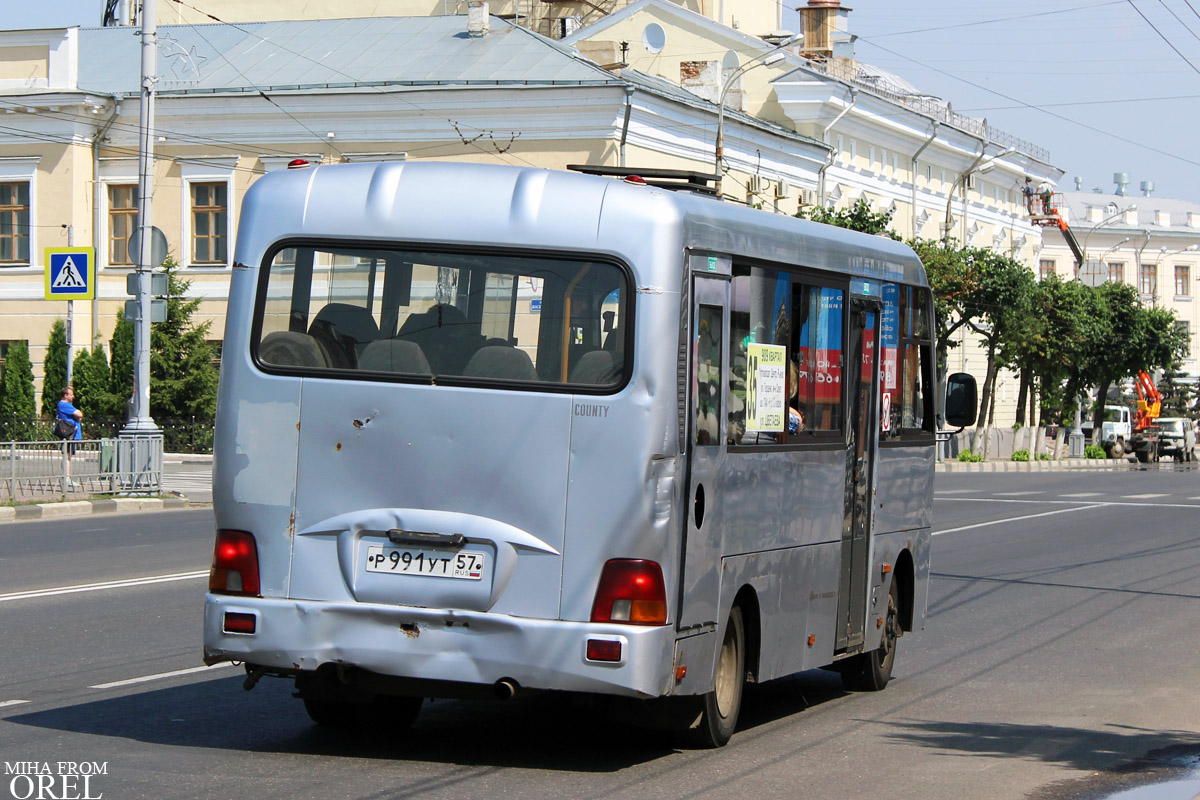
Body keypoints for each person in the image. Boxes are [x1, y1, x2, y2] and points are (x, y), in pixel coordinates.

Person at [57, 386, 83, 486]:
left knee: (68, 456)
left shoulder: (65, 405)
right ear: (66, 395)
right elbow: (79, 414)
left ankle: (67, 477)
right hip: (68, 435)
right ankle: (66, 478)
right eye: (71, 394)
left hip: (71, 434)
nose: (73, 396)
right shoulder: (65, 405)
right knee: (67, 456)